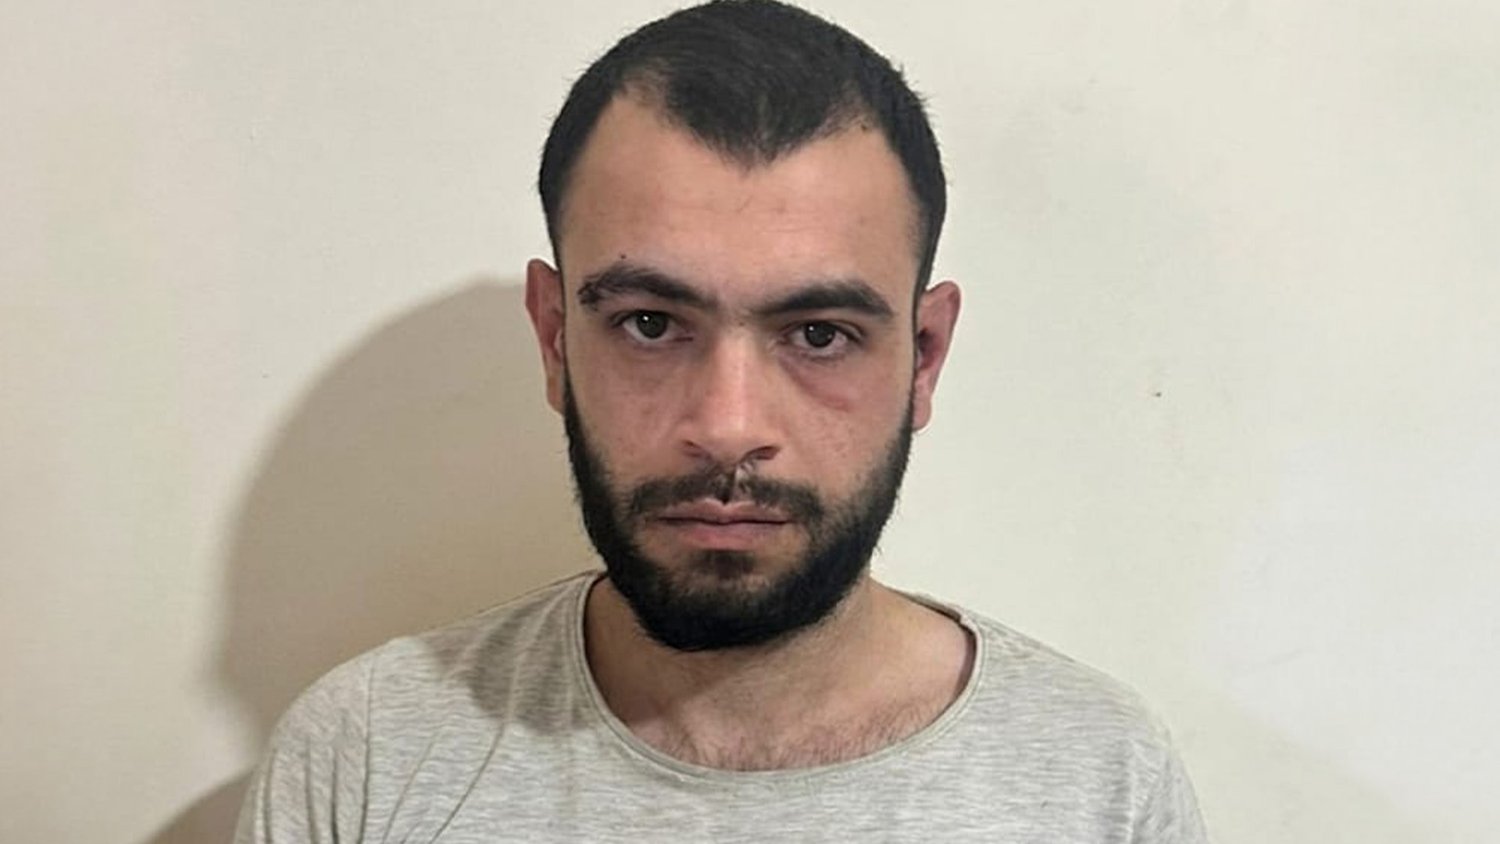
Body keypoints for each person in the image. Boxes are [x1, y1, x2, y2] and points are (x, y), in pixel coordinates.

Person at [235, 1, 1208, 840]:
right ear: (555, 338)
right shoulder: (367, 756)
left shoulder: (1098, 779)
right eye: (651, 324)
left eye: (819, 334)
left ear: (924, 357)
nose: (729, 425)